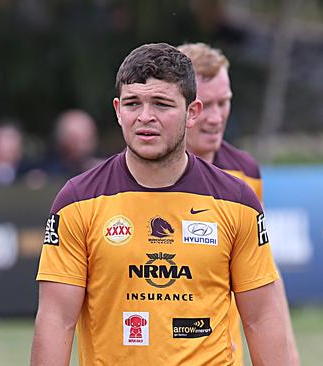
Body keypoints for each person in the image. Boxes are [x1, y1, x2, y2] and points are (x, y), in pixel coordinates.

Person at [31, 43, 297, 365]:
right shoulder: (76, 201)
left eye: (161, 104)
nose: (145, 117)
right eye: (133, 103)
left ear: (191, 113)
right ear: (117, 110)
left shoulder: (237, 200)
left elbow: (262, 318)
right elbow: (56, 319)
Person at [178, 41, 299, 365]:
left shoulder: (245, 172)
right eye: (206, 105)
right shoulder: (134, 174)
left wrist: (288, 355)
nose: (216, 118)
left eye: (224, 103)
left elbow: (264, 275)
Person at [39, 109, 102, 178]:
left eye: (88, 137)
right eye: (75, 139)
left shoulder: (104, 165)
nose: (82, 145)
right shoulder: (46, 170)